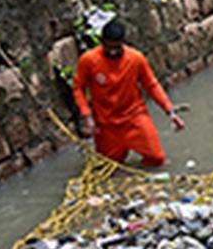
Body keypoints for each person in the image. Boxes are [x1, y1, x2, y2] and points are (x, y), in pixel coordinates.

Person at [72, 20, 186, 167]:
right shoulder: (88, 60)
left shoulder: (136, 59)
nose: (113, 52)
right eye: (108, 47)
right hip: (106, 124)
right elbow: (78, 88)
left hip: (134, 118)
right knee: (109, 166)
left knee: (157, 159)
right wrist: (86, 115)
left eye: (117, 48)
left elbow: (151, 85)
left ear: (123, 43)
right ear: (101, 42)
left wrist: (169, 111)